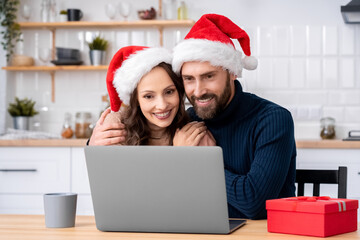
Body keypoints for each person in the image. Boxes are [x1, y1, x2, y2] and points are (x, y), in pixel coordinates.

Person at [171, 14, 296, 219]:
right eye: (189, 79)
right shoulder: (187, 121)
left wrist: (201, 161)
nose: (198, 91)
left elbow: (255, 204)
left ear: (232, 72)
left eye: (208, 76)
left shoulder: (273, 120)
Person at [89, 45, 209, 146]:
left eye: (169, 92)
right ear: (136, 99)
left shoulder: (194, 132)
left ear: (179, 91)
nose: (162, 106)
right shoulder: (118, 130)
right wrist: (92, 145)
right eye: (148, 96)